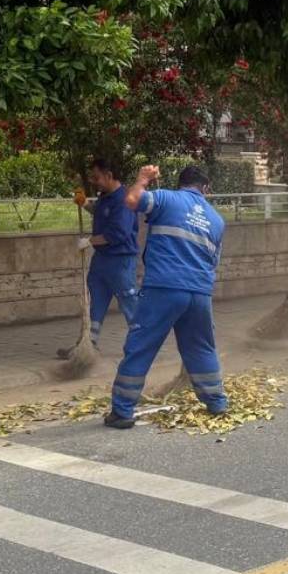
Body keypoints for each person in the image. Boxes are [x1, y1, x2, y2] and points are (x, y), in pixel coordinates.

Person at [105, 165, 229, 429]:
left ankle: (122, 411)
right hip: (200, 293)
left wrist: (142, 179)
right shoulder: (217, 220)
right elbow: (213, 261)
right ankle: (217, 402)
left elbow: (132, 200)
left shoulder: (166, 198)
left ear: (180, 183)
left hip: (164, 288)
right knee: (201, 348)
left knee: (141, 345)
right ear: (205, 188)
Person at [60, 159, 140, 359]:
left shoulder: (124, 200)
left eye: (96, 177)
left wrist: (89, 241)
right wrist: (85, 203)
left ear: (109, 175)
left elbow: (118, 233)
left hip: (120, 261)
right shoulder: (106, 197)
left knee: (129, 302)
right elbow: (102, 215)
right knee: (95, 301)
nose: (94, 181)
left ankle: (142, 344)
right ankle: (88, 344)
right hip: (102, 260)